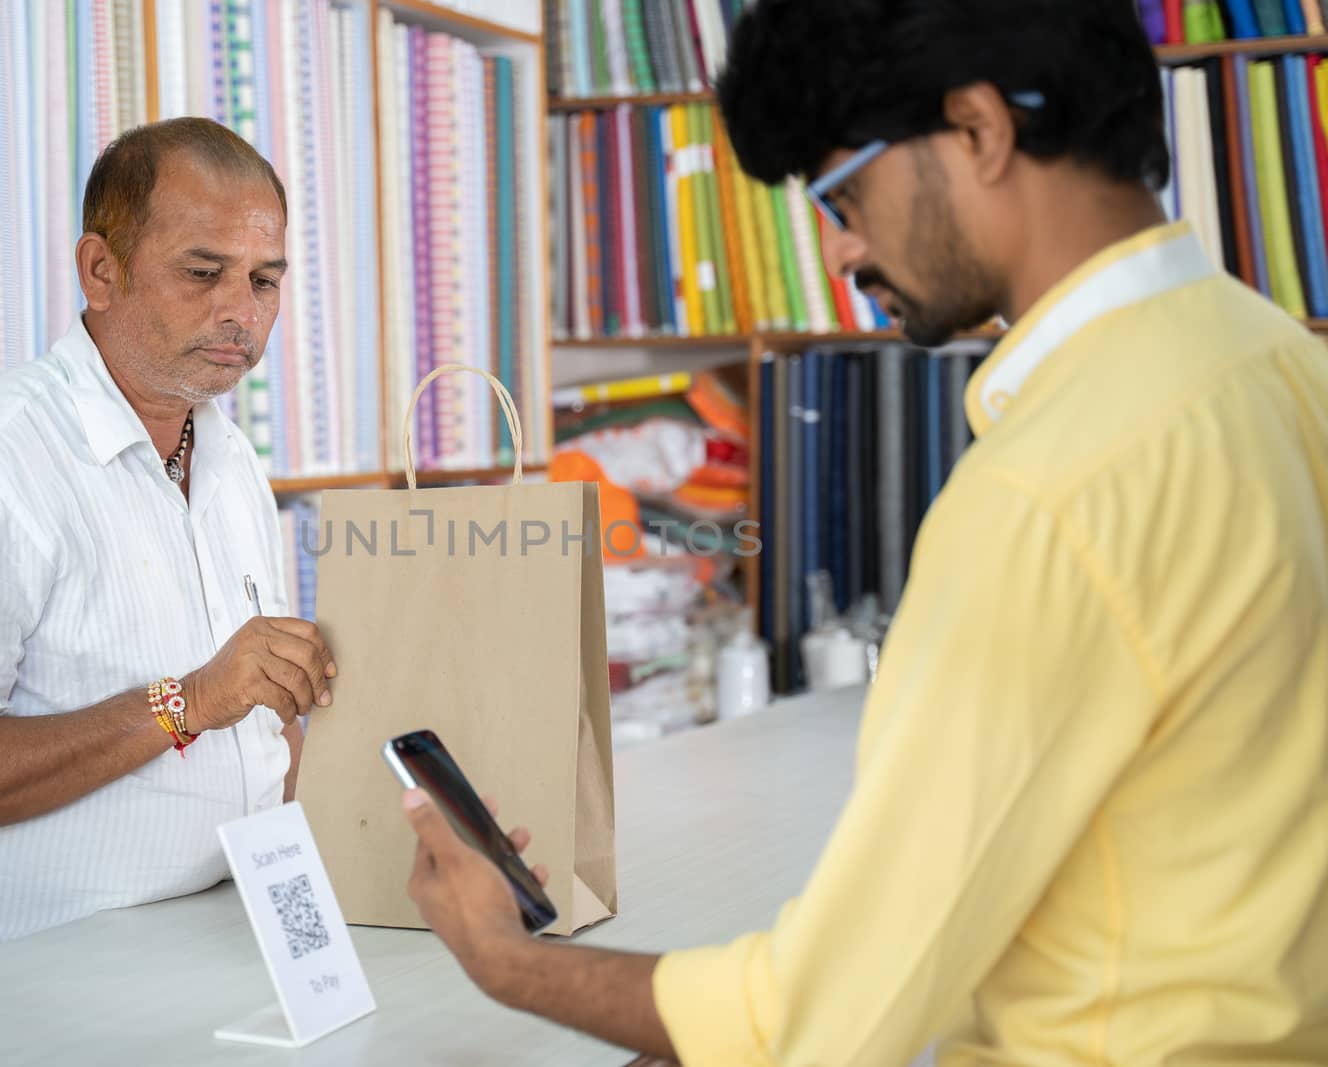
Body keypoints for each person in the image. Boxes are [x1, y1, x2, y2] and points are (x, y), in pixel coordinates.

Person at [400, 1, 1328, 1063]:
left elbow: (822, 1023)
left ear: (979, 129)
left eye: (843, 192)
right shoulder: (1287, 371)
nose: (840, 246)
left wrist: (503, 954)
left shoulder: (1048, 490)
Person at [0, 118, 337, 980]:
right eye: (203, 272)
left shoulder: (228, 458)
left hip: (221, 956)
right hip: (14, 1000)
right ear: (100, 271)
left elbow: (260, 729)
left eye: (265, 279)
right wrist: (183, 702)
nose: (240, 310)